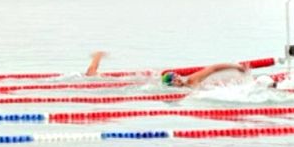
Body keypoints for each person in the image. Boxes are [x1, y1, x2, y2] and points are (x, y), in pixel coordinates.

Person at [84, 51, 249, 88]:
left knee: (92, 77)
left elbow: (213, 68)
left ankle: (97, 56)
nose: (178, 79)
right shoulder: (190, 83)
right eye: (174, 79)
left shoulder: (191, 80)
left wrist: (236, 67)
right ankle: (97, 56)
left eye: (176, 77)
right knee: (92, 77)